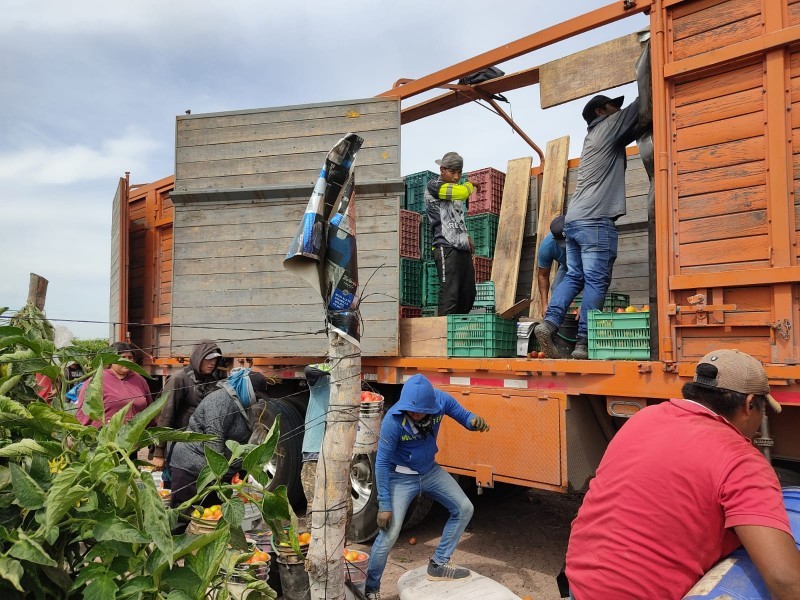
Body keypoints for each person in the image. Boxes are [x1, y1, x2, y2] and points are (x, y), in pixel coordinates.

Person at [566, 349, 800, 599]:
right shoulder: (741, 459)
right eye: (762, 412)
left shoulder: (644, 418)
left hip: (580, 585)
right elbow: (785, 580)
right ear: (749, 404)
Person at [364, 374, 490, 600]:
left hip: (430, 471)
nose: (414, 414)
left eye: (420, 410)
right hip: (399, 477)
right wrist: (384, 504)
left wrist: (473, 421)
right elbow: (381, 463)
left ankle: (439, 564)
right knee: (390, 533)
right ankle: (371, 588)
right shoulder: (392, 421)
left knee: (464, 508)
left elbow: (463, 415)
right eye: (410, 410)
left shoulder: (440, 401)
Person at [535, 94, 640, 360]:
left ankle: (549, 324)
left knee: (574, 276)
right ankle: (584, 342)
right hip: (595, 219)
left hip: (575, 219)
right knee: (596, 280)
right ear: (600, 111)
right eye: (613, 105)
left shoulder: (593, 137)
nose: (618, 108)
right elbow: (642, 105)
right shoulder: (607, 126)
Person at [169, 368, 270, 512]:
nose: (257, 399)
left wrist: (240, 470)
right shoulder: (221, 400)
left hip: (215, 475)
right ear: (245, 386)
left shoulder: (242, 403)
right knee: (182, 515)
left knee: (211, 517)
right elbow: (214, 439)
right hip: (192, 468)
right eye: (256, 394)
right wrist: (220, 474)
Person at [151, 339, 223, 476]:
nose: (212, 363)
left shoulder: (212, 381)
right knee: (178, 490)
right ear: (198, 358)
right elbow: (166, 415)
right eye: (208, 359)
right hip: (179, 445)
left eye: (215, 359)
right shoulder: (179, 379)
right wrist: (159, 452)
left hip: (202, 447)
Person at [426, 151, 479, 316]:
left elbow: (457, 217)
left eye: (459, 173)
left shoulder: (454, 190)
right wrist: (471, 185)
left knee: (468, 295)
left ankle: (456, 332)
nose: (457, 177)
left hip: (462, 248)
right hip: (445, 247)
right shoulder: (435, 186)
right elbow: (463, 193)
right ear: (442, 170)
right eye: (452, 172)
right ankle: (442, 336)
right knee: (450, 295)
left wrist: (466, 236)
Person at [76, 342, 153, 427]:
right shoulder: (97, 380)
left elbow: (150, 410)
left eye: (130, 357)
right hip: (105, 436)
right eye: (122, 357)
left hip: (134, 436)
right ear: (111, 360)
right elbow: (83, 413)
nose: (127, 361)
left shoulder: (139, 380)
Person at [536, 215, 568, 318]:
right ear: (554, 239)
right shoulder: (547, 247)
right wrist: (544, 305)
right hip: (567, 265)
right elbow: (543, 275)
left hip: (586, 265)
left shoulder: (582, 237)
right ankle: (558, 322)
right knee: (557, 289)